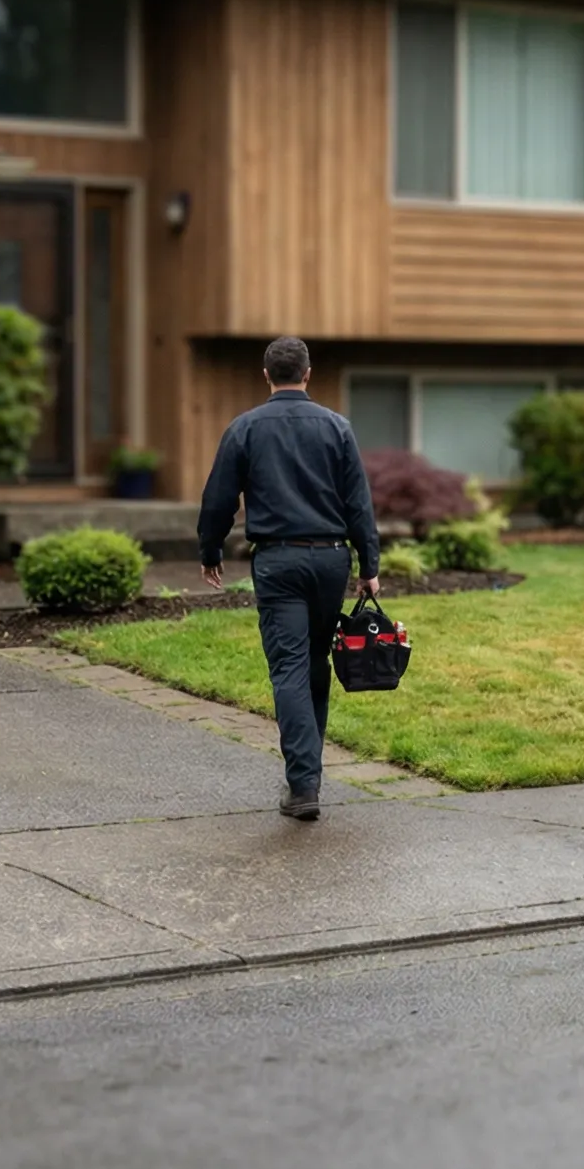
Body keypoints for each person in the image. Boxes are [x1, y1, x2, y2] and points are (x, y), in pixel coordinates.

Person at [196, 336, 379, 820]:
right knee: (315, 664)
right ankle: (308, 776)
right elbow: (358, 501)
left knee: (290, 667)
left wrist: (210, 548)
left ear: (266, 375)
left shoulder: (245, 428)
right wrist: (370, 566)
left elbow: (219, 497)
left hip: (278, 562)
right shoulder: (337, 427)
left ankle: (303, 786)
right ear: (308, 372)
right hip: (331, 560)